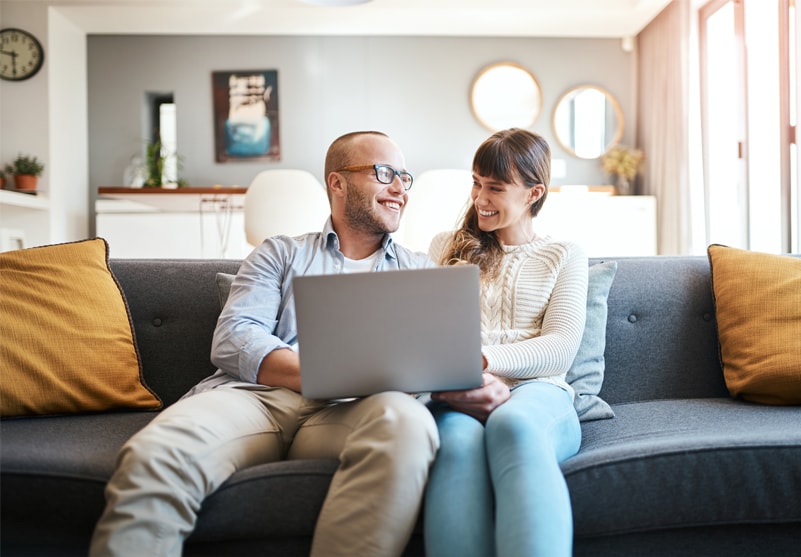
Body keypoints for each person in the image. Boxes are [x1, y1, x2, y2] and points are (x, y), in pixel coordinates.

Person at [90, 131, 440, 557]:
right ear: (338, 182)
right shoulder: (280, 253)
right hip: (258, 400)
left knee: (408, 423)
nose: (400, 189)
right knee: (158, 453)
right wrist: (322, 372)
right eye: (385, 173)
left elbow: (430, 361)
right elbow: (236, 336)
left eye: (405, 177)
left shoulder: (419, 269)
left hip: (355, 409)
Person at [423, 128, 588, 557]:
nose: (480, 198)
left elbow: (560, 347)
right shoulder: (445, 247)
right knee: (456, 445)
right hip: (463, 390)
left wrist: (479, 359)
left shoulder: (565, 254)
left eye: (495, 187)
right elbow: (429, 335)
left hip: (539, 392)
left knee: (513, 424)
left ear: (534, 193)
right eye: (476, 183)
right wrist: (467, 375)